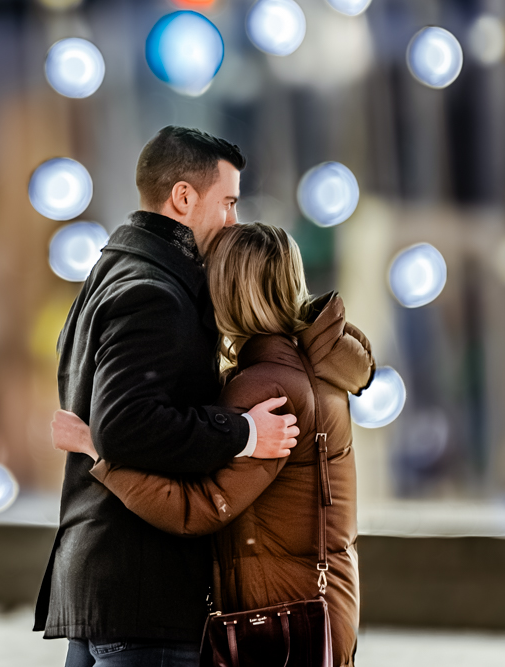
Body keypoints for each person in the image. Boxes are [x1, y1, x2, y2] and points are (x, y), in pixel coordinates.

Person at [33, 126, 302, 667]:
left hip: (103, 584)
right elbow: (126, 425)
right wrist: (247, 433)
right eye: (227, 202)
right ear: (183, 197)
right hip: (144, 593)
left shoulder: (108, 274)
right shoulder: (154, 292)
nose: (232, 220)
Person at [54, 223, 375, 667]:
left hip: (277, 625)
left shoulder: (267, 387)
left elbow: (199, 509)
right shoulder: (315, 372)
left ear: (228, 291)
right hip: (317, 611)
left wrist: (101, 450)